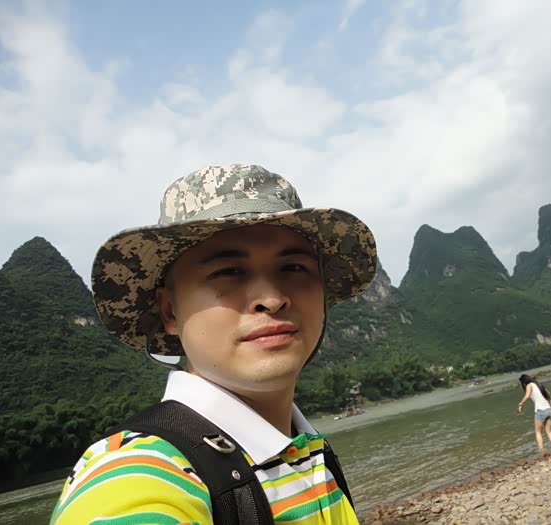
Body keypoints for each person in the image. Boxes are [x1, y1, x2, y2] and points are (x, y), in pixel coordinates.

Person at [49, 164, 377, 525]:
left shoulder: (310, 450)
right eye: (228, 272)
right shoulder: (134, 472)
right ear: (170, 311)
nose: (271, 299)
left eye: (295, 268)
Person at [517, 374, 551, 454]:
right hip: (548, 409)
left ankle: (542, 451)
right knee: (549, 432)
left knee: (538, 432)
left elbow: (527, 396)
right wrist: (549, 400)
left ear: (524, 382)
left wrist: (521, 404)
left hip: (540, 411)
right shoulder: (539, 384)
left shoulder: (529, 385)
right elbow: (548, 393)